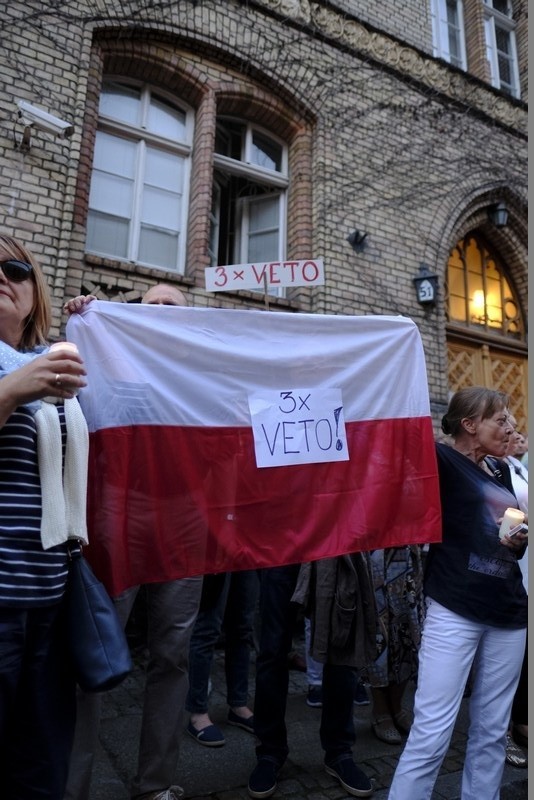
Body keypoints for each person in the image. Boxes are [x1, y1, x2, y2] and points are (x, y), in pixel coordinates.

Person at [64, 284, 203, 800]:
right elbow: (68, 401)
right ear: (133, 312)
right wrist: (84, 321)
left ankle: (154, 785)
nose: (161, 310)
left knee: (173, 657)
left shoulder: (202, 373)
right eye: (152, 303)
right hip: (117, 522)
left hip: (185, 529)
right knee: (92, 655)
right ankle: (70, 786)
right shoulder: (105, 354)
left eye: (174, 305)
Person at [388, 387, 528, 800]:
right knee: (432, 729)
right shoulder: (442, 460)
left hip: (509, 612)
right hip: (456, 608)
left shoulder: (502, 471)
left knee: (491, 731)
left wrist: (520, 540)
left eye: (510, 420)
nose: (510, 427)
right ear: (469, 425)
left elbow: (510, 531)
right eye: (499, 420)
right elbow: (395, 457)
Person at [0, 234, 88, 799]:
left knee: (39, 768)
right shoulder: (30, 374)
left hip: (51, 599)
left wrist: (97, 323)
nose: (0, 276)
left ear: (35, 291)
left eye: (12, 267)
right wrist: (13, 389)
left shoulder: (54, 360)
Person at [249, 558, 376, 799]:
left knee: (342, 645)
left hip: (332, 539)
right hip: (283, 543)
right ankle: (269, 751)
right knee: (272, 651)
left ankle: (339, 751)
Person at [186, 570, 259, 746]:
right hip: (215, 551)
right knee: (207, 628)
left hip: (245, 550)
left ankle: (238, 705)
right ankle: (198, 713)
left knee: (243, 628)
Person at [363, 545, 424, 745]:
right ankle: (380, 710)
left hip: (405, 544)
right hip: (372, 546)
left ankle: (396, 707)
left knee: (408, 628)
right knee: (377, 631)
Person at [502, 416, 528, 768]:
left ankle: (523, 722)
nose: (511, 430)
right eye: (504, 424)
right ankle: (507, 731)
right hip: (515, 570)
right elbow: (510, 518)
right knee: (513, 660)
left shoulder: (518, 467)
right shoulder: (495, 469)